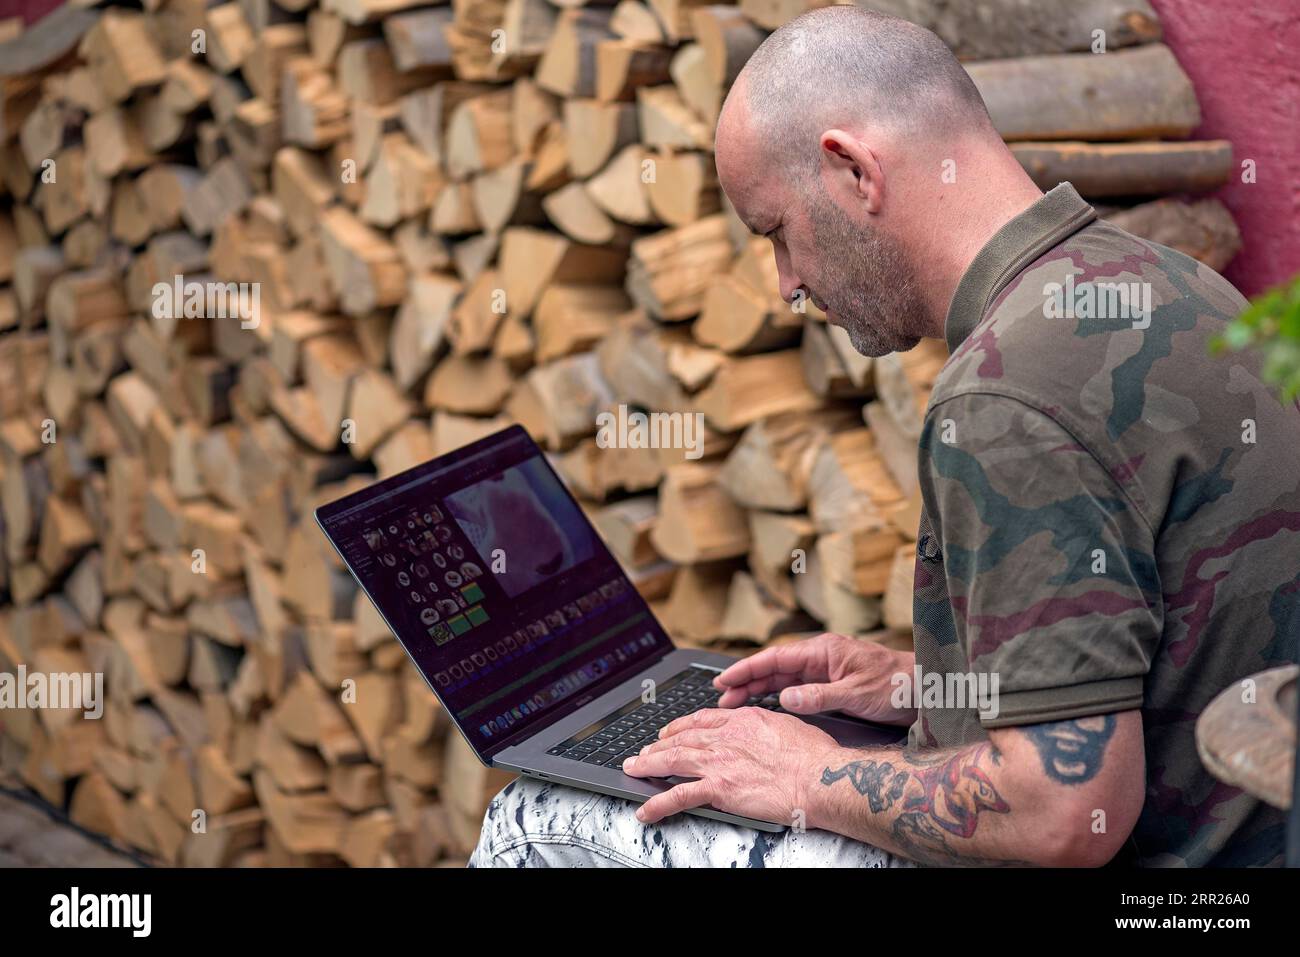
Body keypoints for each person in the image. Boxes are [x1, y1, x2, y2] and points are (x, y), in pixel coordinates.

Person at [471, 6, 1298, 867]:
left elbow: (1061, 812)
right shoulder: (1169, 282)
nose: (786, 283)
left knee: (531, 814)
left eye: (777, 233)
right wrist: (923, 685)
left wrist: (811, 776)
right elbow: (1168, 650)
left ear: (852, 171)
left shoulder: (1006, 394)